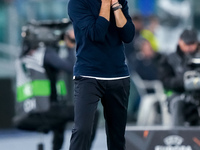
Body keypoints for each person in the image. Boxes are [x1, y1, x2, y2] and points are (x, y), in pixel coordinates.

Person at [68, 0, 135, 149]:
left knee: (117, 135)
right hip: (88, 75)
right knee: (82, 130)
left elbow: (128, 35)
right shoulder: (77, 3)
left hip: (118, 75)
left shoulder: (120, 1)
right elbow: (96, 34)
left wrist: (116, 6)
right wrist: (105, 3)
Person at [158, 28, 199, 126]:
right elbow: (165, 81)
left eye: (192, 43)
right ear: (180, 41)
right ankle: (178, 136)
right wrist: (186, 82)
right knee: (178, 103)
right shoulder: (169, 59)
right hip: (178, 94)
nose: (189, 47)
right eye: (187, 44)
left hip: (198, 95)